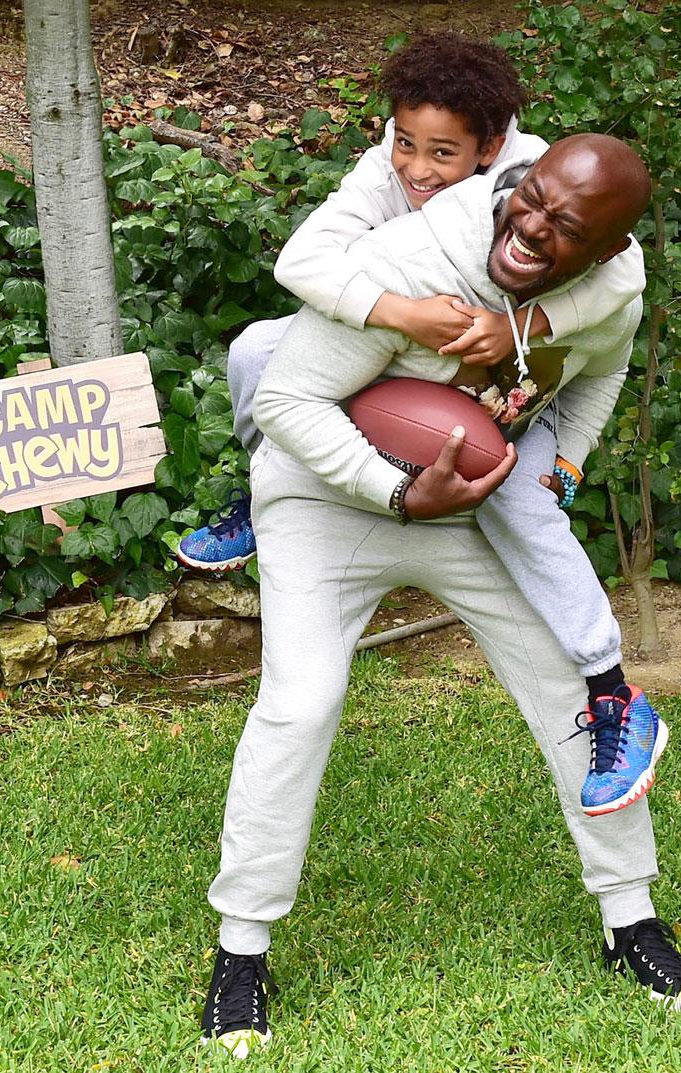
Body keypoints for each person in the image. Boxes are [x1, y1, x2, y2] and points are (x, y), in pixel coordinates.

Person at [198, 135, 681, 1060]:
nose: (532, 228)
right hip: (330, 491)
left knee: (574, 688)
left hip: (474, 507)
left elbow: (600, 370)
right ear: (515, 182)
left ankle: (632, 922)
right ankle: (241, 950)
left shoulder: (607, 293)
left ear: (602, 255)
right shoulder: (410, 261)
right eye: (532, 201)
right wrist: (397, 490)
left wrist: (561, 462)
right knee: (299, 702)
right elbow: (284, 400)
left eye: (567, 228)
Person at [178, 35, 653, 811]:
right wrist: (408, 314)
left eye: (444, 152)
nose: (420, 168)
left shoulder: (538, 176)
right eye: (406, 143)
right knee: (261, 350)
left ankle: (611, 692)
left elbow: (618, 304)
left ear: (495, 152)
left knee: (522, 503)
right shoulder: (392, 189)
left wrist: (526, 342)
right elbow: (298, 266)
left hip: (495, 407)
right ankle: (257, 490)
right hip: (383, 358)